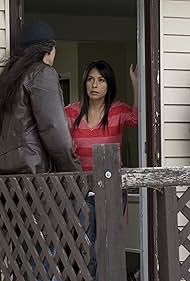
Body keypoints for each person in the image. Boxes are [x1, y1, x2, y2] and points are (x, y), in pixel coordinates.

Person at [65, 59, 138, 278]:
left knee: (106, 246)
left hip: (112, 189)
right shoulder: (71, 112)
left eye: (101, 80)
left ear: (109, 85)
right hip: (81, 191)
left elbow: (139, 119)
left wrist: (136, 83)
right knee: (86, 246)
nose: (94, 85)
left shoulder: (117, 110)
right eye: (90, 79)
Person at [0, 21, 81, 174]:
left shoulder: (9, 78)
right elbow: (54, 130)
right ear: (49, 50)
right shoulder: (42, 73)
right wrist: (75, 175)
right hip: (35, 179)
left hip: (8, 181)